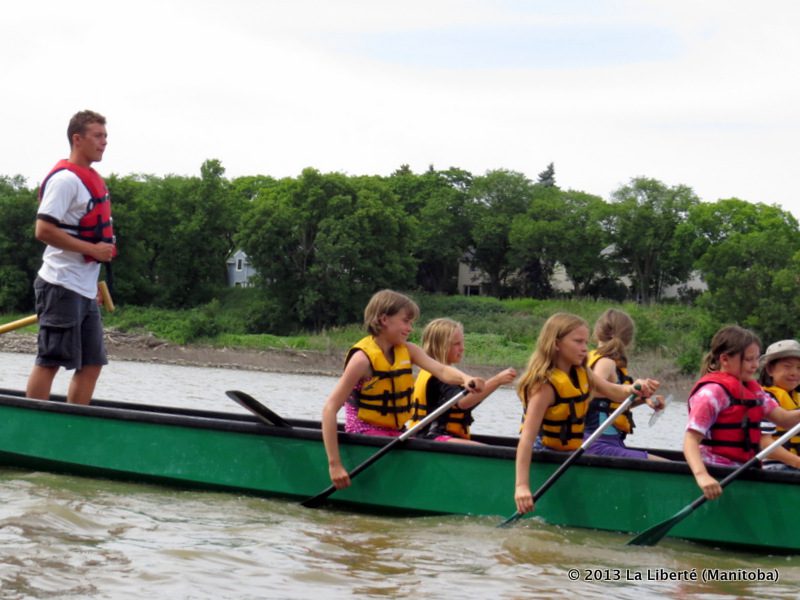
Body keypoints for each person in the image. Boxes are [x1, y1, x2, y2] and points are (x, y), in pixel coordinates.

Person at [321, 290, 485, 489]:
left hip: (396, 433)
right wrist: (335, 465)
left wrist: (466, 378)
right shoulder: (361, 360)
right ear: (384, 319)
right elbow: (330, 409)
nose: (410, 328)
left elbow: (441, 370)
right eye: (406, 321)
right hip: (364, 435)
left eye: (411, 323)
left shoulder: (408, 350)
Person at [513, 313, 659, 515]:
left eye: (585, 341)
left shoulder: (581, 372)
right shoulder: (544, 386)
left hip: (570, 452)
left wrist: (635, 388)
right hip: (546, 452)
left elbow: (613, 391)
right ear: (556, 344)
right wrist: (521, 486)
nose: (584, 348)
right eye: (578, 342)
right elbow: (526, 439)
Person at [26, 110, 116, 405]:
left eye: (105, 136)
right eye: (97, 136)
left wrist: (92, 288)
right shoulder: (65, 181)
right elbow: (44, 230)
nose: (104, 142)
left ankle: (71, 427)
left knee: (92, 363)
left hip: (84, 290)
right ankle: (35, 428)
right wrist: (92, 250)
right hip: (60, 285)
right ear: (77, 139)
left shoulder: (92, 180)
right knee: (50, 360)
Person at [684, 326, 800, 500]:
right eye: (748, 360)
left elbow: (785, 419)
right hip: (716, 472)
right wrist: (702, 475)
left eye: (755, 359)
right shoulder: (711, 393)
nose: (755, 365)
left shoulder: (755, 391)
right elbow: (690, 440)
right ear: (725, 359)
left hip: (743, 471)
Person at [409, 318, 516, 443]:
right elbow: (463, 403)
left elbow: (464, 405)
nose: (462, 348)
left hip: (433, 436)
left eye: (462, 343)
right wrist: (497, 380)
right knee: (487, 452)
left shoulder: (449, 374)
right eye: (456, 344)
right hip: (433, 436)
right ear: (441, 346)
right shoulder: (441, 377)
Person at [584, 309, 666, 461]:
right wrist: (630, 390)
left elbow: (607, 404)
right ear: (628, 340)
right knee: (670, 466)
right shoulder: (606, 362)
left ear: (596, 333)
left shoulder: (601, 360)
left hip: (610, 443)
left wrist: (642, 399)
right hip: (596, 444)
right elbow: (591, 394)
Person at [758, 339, 800, 470]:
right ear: (770, 369)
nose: (795, 373)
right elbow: (764, 442)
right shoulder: (765, 399)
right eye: (787, 366)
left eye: (799, 368)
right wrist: (797, 462)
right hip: (776, 467)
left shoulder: (797, 397)